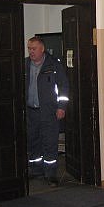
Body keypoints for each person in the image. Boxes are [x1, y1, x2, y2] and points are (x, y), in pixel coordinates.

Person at [25, 36, 69, 185]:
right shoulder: (25, 64)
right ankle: (35, 170)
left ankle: (50, 174)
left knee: (50, 142)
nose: (31, 52)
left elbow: (63, 87)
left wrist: (61, 107)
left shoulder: (53, 65)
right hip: (31, 111)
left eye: (34, 49)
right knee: (33, 141)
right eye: (29, 48)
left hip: (49, 111)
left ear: (42, 49)